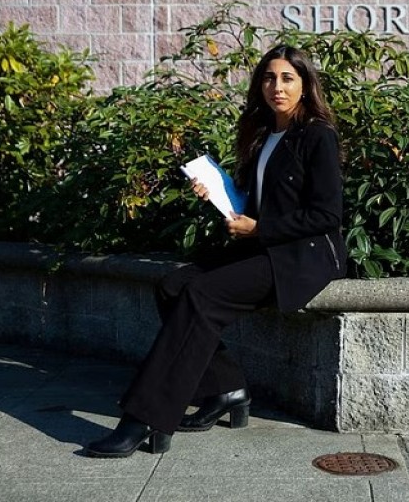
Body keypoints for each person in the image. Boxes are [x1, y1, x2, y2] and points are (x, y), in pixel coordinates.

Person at [85, 45, 347, 458]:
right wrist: (221, 196)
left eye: (287, 79)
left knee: (200, 295)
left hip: (302, 258)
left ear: (304, 84)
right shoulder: (266, 133)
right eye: (268, 78)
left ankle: (145, 418)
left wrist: (261, 228)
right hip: (264, 244)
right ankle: (228, 389)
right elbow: (259, 202)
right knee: (173, 285)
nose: (276, 87)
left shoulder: (317, 134)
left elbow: (327, 215)